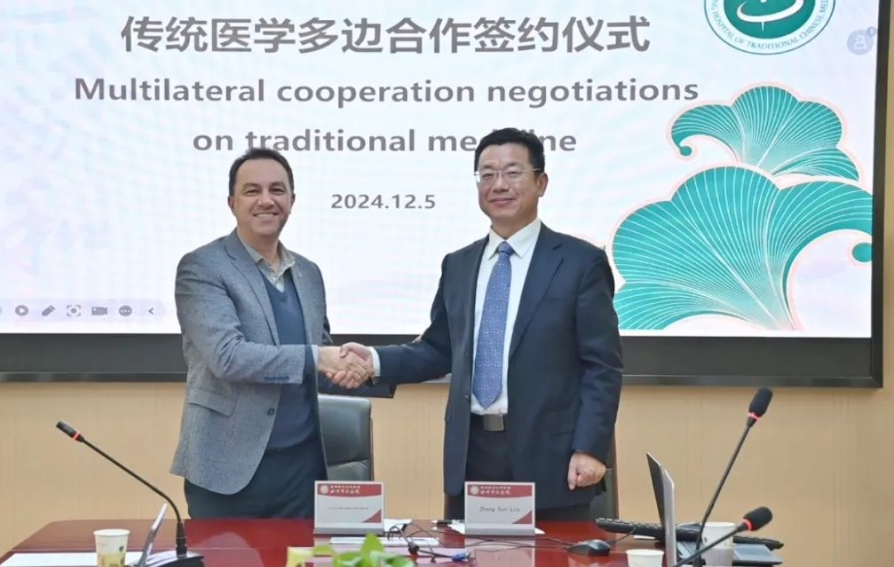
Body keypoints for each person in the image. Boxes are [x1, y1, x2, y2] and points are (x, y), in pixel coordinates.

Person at [335, 128, 623, 520]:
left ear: (541, 183)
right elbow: (439, 349)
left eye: (512, 172)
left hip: (551, 459)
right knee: (466, 551)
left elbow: (602, 365)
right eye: (487, 174)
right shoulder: (459, 264)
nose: (498, 185)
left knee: (550, 554)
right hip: (471, 455)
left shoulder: (579, 262)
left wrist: (589, 448)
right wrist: (374, 360)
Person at [170, 147, 391, 519]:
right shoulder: (203, 267)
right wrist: (319, 357)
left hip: (301, 472)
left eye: (277, 190)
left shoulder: (309, 273)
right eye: (252, 191)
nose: (266, 200)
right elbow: (228, 357)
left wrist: (374, 367)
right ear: (232, 202)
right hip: (227, 471)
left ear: (292, 201)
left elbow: (320, 363)